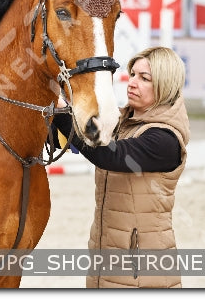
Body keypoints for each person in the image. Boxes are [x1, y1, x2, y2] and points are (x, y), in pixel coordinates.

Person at [52, 46, 190, 288]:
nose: (132, 82)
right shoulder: (122, 123)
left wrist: (63, 110)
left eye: (144, 78)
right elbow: (73, 137)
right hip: (107, 253)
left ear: (165, 85)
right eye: (133, 74)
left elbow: (109, 156)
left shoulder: (164, 139)